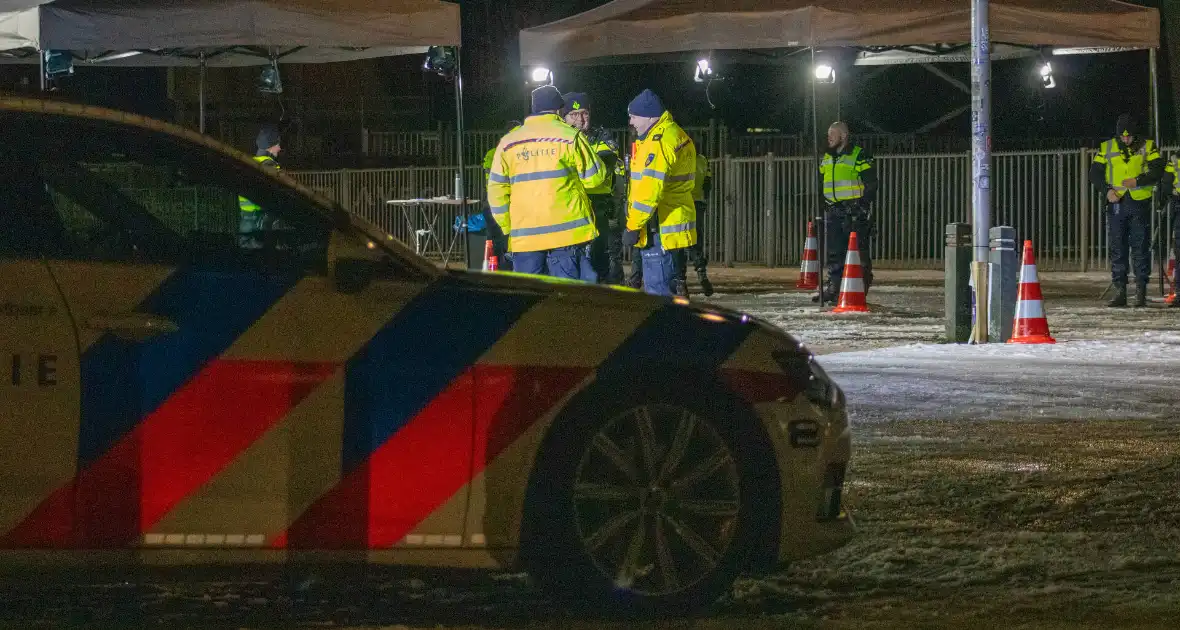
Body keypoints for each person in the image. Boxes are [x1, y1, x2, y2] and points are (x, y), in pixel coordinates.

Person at [486, 86, 606, 281]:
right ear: (559, 110)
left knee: (529, 297)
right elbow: (595, 178)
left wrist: (508, 227)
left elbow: (496, 191)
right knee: (566, 299)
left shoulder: (508, 143)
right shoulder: (570, 136)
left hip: (525, 238)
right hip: (567, 235)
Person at [622, 89, 697, 297]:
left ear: (648, 116)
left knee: (658, 295)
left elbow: (649, 191)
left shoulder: (659, 141)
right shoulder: (672, 133)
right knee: (671, 292)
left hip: (658, 228)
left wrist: (632, 226)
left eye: (634, 117)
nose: (631, 122)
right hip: (669, 224)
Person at [1089, 114, 1164, 307]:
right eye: (1122, 137)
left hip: (1139, 203)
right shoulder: (1106, 147)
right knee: (1118, 248)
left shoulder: (1148, 146)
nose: (1126, 139)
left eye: (1129, 136)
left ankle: (1140, 291)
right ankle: (1120, 291)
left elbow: (1158, 169)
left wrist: (1138, 181)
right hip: (1117, 203)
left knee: (1140, 248)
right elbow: (1095, 173)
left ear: (1135, 134)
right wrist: (1107, 191)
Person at [562, 92, 625, 284]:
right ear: (563, 117)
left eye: (584, 113)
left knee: (601, 255)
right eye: (574, 114)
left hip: (598, 205)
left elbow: (605, 165)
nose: (580, 119)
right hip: (569, 205)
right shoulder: (560, 140)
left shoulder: (603, 136)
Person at [816, 121, 877, 304]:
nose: (829, 138)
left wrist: (862, 206)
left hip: (853, 212)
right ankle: (834, 289)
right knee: (835, 252)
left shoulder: (859, 155)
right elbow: (822, 182)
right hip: (833, 210)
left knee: (858, 253)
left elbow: (871, 183)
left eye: (832, 134)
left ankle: (859, 289)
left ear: (843, 136)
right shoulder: (827, 157)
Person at [481, 120, 521, 270]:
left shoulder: (493, 153)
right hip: (501, 205)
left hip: (493, 204)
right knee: (502, 243)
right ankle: (503, 271)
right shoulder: (500, 153)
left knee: (497, 242)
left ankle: (497, 271)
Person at [238, 124, 283, 249]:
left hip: (246, 221)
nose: (279, 148)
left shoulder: (250, 164)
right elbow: (273, 196)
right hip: (262, 223)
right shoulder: (269, 167)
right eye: (277, 144)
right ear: (270, 147)